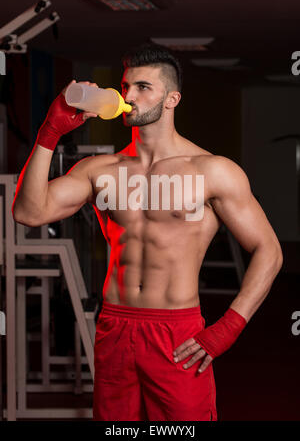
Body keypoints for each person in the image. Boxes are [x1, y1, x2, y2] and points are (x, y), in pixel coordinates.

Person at [12, 43, 283, 421]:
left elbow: (269, 250)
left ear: (172, 99)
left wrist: (228, 328)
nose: (129, 97)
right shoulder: (100, 169)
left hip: (176, 333)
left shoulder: (212, 171)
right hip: (114, 328)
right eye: (125, 87)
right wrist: (49, 131)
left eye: (143, 88)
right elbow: (28, 212)